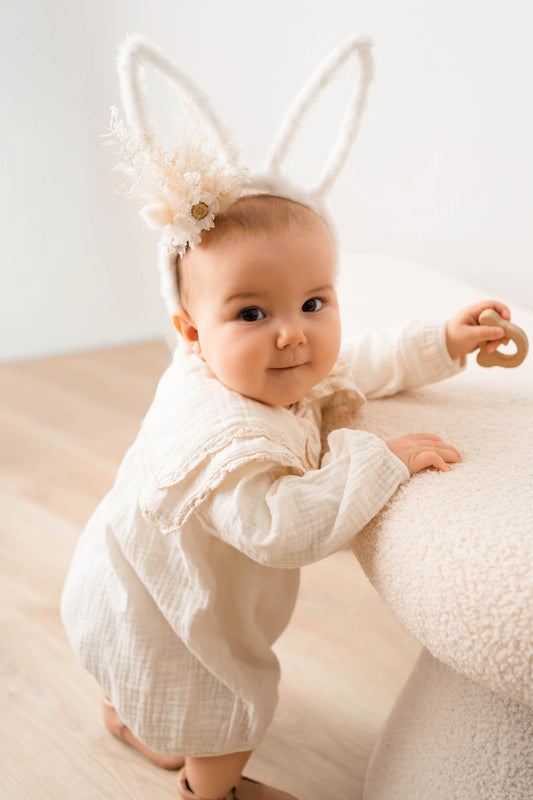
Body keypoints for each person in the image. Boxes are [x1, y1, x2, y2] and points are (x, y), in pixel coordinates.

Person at [61, 190, 511, 800]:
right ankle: (211, 788)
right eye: (252, 314)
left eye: (312, 303)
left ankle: (130, 717)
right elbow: (280, 528)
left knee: (146, 685)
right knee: (223, 704)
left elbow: (354, 365)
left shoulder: (253, 368)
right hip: (168, 612)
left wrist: (444, 340)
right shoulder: (226, 441)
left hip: (126, 573)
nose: (292, 335)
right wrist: (380, 459)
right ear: (193, 332)